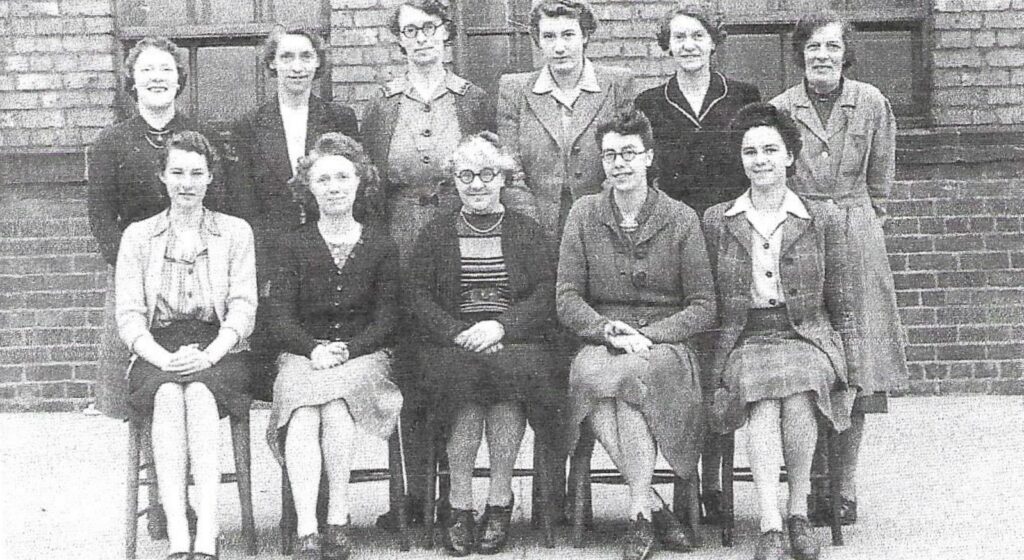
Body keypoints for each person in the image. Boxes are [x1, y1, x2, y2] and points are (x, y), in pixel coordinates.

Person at [360, 0, 501, 528]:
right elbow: (370, 186)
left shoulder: (472, 100)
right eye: (409, 30)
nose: (420, 38)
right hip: (399, 241)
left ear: (446, 34)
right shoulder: (382, 103)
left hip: (458, 239)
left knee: (453, 357)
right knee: (409, 364)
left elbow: (489, 169)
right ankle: (413, 496)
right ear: (399, 39)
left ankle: (456, 496)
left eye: (430, 28)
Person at [702, 102, 860, 560]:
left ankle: (798, 514)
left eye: (771, 149)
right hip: (745, 337)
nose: (760, 160)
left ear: (791, 155)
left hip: (807, 335)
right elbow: (709, 302)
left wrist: (850, 366)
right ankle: (771, 521)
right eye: (750, 151)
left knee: (797, 389)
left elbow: (842, 301)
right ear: (741, 159)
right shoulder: (718, 219)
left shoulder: (821, 217)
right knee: (762, 393)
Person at [770, 11, 909, 526]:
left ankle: (845, 487)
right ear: (800, 54)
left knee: (857, 367)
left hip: (857, 239)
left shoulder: (872, 103)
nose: (822, 56)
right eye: (812, 48)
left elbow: (881, 185)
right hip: (800, 237)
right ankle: (809, 487)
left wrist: (859, 224)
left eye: (831, 47)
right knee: (808, 356)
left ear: (845, 53)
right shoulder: (782, 108)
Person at [557, 109, 715, 560]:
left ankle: (639, 513)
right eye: (610, 155)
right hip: (603, 339)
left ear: (649, 157)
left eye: (629, 153)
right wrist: (605, 329)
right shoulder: (584, 214)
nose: (619, 164)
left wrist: (650, 334)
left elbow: (704, 305)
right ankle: (648, 507)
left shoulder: (681, 218)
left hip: (664, 345)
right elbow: (567, 297)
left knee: (625, 384)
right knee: (592, 380)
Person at [633, 2, 761, 522]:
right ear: (667, 46)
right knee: (686, 353)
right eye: (678, 38)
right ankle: (685, 479)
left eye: (697, 36)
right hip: (677, 239)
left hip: (731, 237)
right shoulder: (650, 103)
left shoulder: (745, 98)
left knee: (722, 349)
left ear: (714, 42)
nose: (687, 46)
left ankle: (716, 479)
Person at [406, 132, 562, 556]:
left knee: (509, 380)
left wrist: (502, 327)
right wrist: (457, 332)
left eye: (487, 174)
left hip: (513, 339)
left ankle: (499, 501)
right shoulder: (435, 233)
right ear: (454, 181)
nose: (477, 184)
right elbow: (417, 294)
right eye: (466, 175)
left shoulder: (527, 231)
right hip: (450, 341)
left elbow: (546, 291)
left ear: (503, 179)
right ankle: (459, 504)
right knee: (462, 382)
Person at [115, 130, 257, 560]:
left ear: (211, 177)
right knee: (168, 396)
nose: (187, 183)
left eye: (197, 173)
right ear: (163, 176)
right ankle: (179, 532)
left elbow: (243, 308)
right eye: (177, 172)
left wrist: (209, 354)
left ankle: (208, 532)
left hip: (221, 348)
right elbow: (130, 316)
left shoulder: (234, 232)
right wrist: (165, 359)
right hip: (156, 349)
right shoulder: (139, 237)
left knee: (197, 393)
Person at [264, 133, 403, 560]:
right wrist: (313, 350)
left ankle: (338, 520)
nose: (335, 187)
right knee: (304, 413)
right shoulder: (292, 244)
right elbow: (280, 318)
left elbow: (388, 318)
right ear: (309, 188)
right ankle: (308, 529)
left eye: (343, 176)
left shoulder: (380, 244)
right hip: (304, 355)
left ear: (360, 182)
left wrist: (348, 349)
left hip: (365, 357)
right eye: (324, 179)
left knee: (338, 407)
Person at [89, 37, 229, 420]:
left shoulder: (201, 137)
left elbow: (220, 205)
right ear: (131, 80)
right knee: (147, 381)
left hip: (193, 269)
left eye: (166, 69)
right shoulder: (110, 142)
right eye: (146, 69)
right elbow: (101, 216)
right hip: (137, 272)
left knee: (193, 377)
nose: (156, 78)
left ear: (179, 79)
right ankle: (153, 467)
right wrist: (134, 266)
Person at [498, 0, 636, 240]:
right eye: (549, 36)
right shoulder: (514, 89)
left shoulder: (617, 84)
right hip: (537, 224)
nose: (559, 47)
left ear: (585, 36)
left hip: (605, 220)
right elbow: (511, 170)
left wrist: (599, 213)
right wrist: (531, 223)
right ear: (538, 40)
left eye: (568, 35)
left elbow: (625, 158)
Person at [230, 26, 360, 278]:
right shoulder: (248, 125)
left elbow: (357, 190)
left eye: (306, 57)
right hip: (272, 255)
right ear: (272, 63)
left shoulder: (340, 119)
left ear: (318, 62)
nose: (297, 67)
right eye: (286, 57)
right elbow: (243, 202)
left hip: (332, 248)